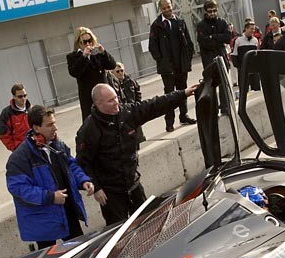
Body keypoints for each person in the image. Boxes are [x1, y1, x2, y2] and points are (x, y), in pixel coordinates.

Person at [76, 81, 198, 225]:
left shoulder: (127, 113)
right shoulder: (89, 130)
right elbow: (83, 162)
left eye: (116, 98)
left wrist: (183, 94)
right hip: (111, 193)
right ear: (98, 103)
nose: (116, 103)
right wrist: (96, 188)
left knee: (148, 223)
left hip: (132, 184)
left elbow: (154, 105)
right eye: (111, 101)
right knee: (119, 231)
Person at [7, 105, 95, 249]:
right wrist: (50, 197)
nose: (55, 128)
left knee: (81, 254)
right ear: (36, 128)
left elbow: (71, 165)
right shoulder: (20, 157)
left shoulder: (57, 145)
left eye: (54, 123)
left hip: (67, 212)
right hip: (44, 222)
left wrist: (83, 180)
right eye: (49, 125)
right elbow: (18, 188)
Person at [147, 0, 197, 132]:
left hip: (181, 65)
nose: (167, 10)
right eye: (164, 8)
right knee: (169, 95)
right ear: (160, 9)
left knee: (183, 91)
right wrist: (161, 61)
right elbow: (152, 46)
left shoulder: (180, 22)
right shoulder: (156, 26)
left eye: (169, 6)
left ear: (172, 5)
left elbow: (188, 42)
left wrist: (188, 58)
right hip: (167, 68)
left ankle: (184, 115)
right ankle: (169, 122)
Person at [65, 26, 116, 119]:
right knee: (92, 122)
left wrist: (104, 53)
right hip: (88, 97)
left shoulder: (97, 54)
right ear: (79, 43)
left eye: (90, 40)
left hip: (104, 93)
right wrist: (84, 57)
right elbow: (74, 72)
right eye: (85, 42)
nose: (88, 44)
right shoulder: (73, 56)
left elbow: (112, 65)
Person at [109, 62, 146, 143]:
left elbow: (137, 91)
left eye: (122, 70)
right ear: (113, 73)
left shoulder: (130, 81)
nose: (120, 73)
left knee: (137, 126)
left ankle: (140, 139)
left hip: (132, 106)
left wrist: (138, 103)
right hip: (122, 110)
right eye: (117, 71)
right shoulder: (112, 84)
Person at [195, 0, 233, 73]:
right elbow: (204, 42)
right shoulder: (201, 26)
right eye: (210, 11)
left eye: (214, 11)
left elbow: (228, 38)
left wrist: (213, 36)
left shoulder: (222, 22)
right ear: (205, 12)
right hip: (209, 61)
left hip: (222, 58)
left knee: (225, 83)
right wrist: (220, 40)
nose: (212, 13)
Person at [0, 84, 32, 152]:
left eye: (25, 95)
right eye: (20, 96)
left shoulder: (32, 110)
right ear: (14, 97)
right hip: (21, 151)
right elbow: (4, 135)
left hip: (36, 146)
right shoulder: (6, 113)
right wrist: (15, 148)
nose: (23, 98)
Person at [231, 19, 261, 94]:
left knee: (257, 90)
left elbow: (257, 54)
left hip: (254, 69)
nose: (253, 31)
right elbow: (234, 54)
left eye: (254, 29)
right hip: (243, 69)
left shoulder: (255, 40)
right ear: (246, 29)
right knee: (244, 91)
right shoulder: (238, 40)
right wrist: (239, 67)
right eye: (251, 29)